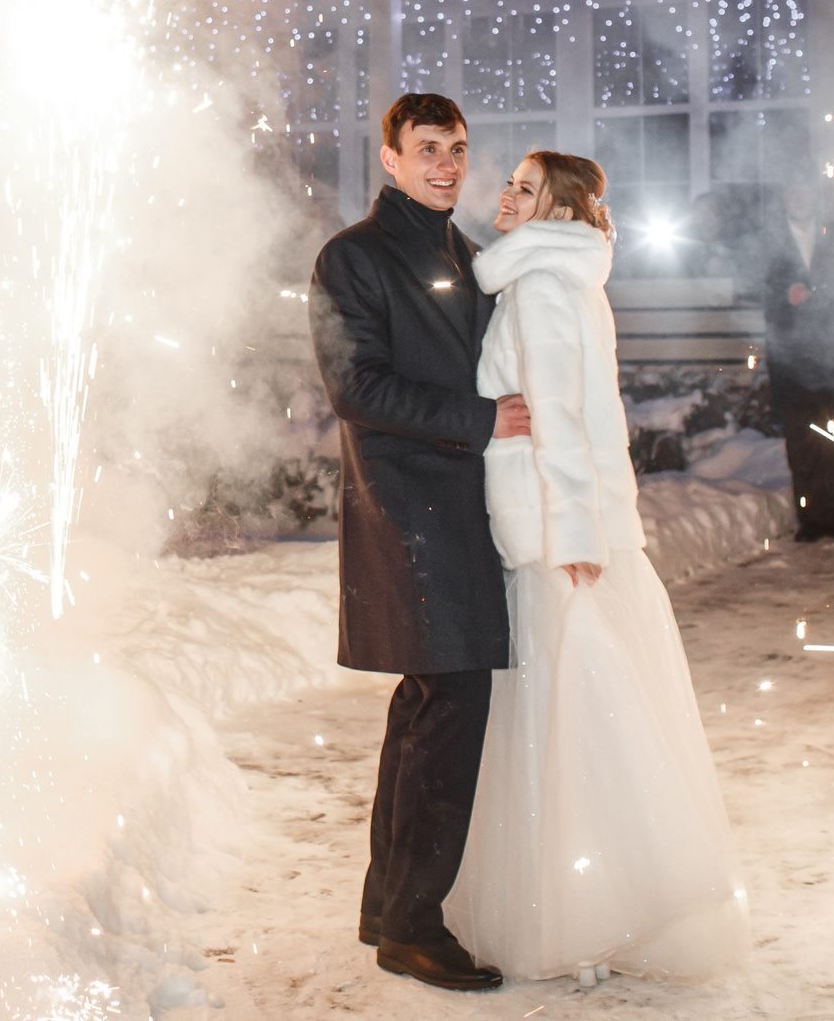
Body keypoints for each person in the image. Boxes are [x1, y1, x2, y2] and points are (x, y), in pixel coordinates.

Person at [448, 151, 747, 984]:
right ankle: (604, 902)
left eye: (525, 186)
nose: (505, 192)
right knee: (576, 713)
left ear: (557, 207)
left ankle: (590, 913)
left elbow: (566, 419)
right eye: (508, 180)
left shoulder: (540, 284)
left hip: (553, 530)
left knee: (567, 722)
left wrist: (573, 533)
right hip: (561, 524)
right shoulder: (555, 276)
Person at [310, 93, 530, 993]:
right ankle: (413, 923)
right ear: (391, 159)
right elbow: (355, 385)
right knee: (454, 698)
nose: (447, 164)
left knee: (427, 703)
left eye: (459, 149)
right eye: (428, 148)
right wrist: (482, 421)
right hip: (405, 506)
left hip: (462, 506)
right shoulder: (351, 258)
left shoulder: (468, 257)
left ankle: (388, 906)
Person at [759, 180, 834, 541]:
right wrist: (784, 298)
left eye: (804, 190)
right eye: (793, 191)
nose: (799, 197)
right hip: (790, 357)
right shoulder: (770, 242)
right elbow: (761, 296)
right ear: (784, 197)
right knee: (801, 442)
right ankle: (811, 520)